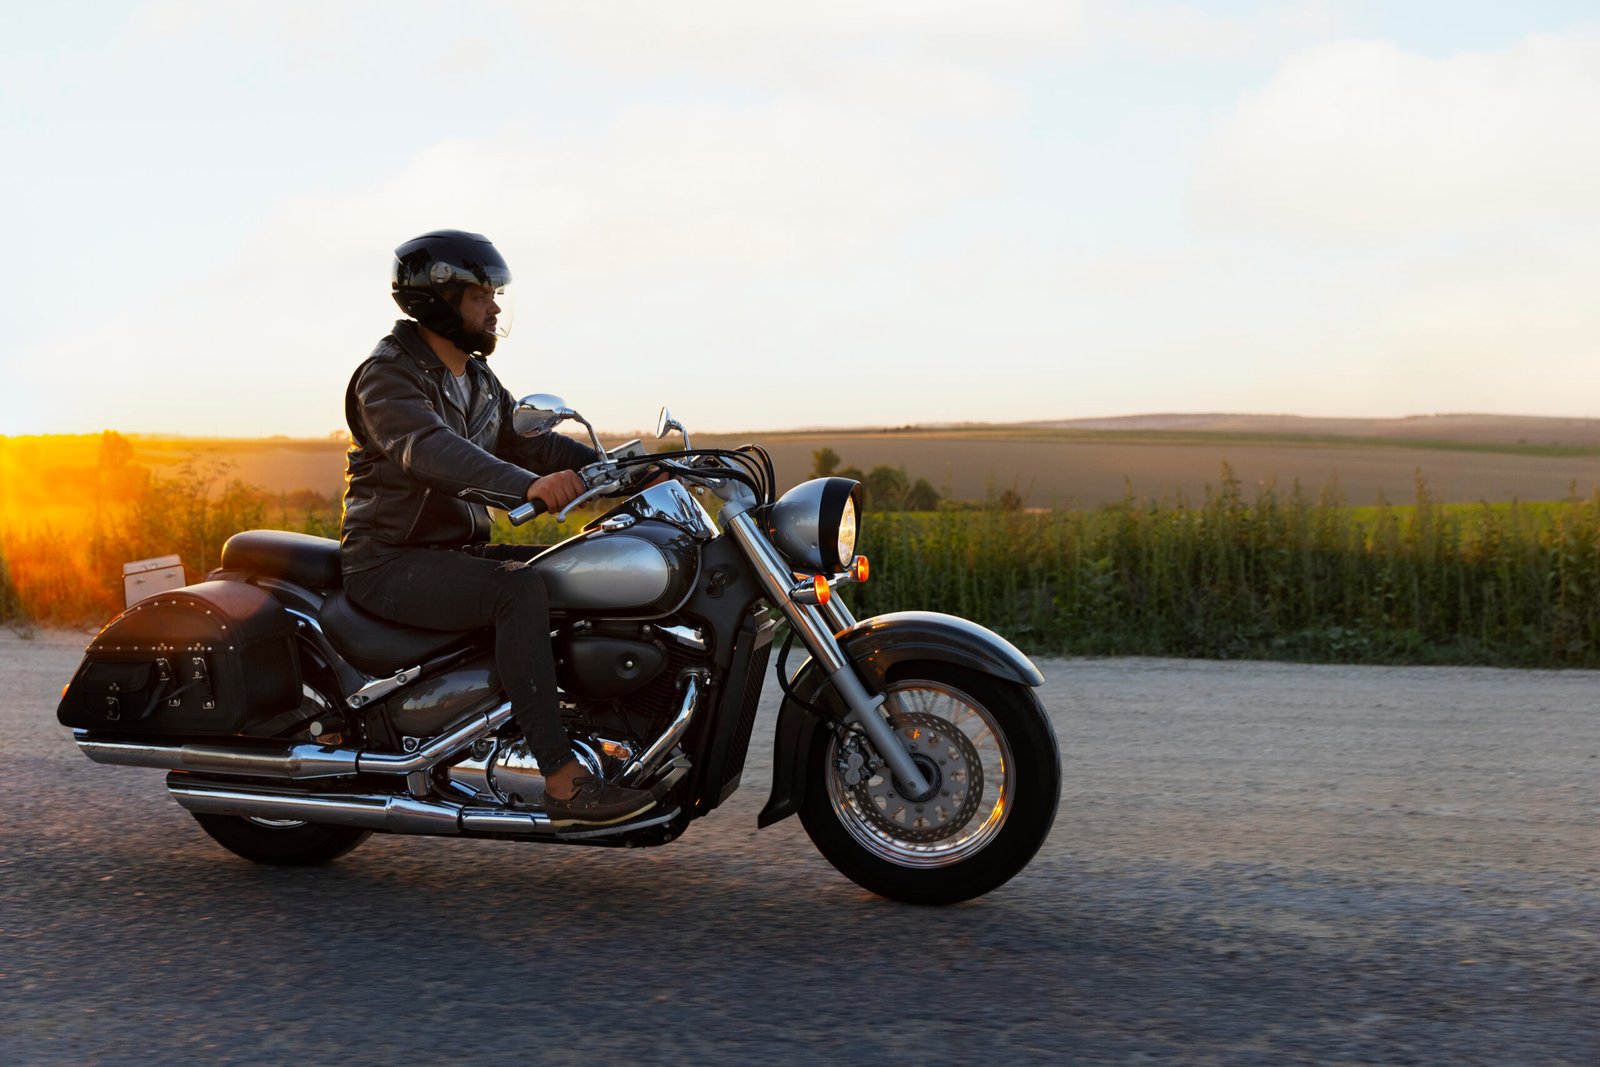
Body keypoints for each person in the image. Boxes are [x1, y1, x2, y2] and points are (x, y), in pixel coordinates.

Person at [339, 229, 654, 828]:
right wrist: (523, 488)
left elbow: (531, 444)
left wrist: (627, 473)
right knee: (519, 591)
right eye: (482, 295)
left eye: (495, 294)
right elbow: (429, 449)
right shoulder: (388, 376)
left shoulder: (477, 381)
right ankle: (561, 782)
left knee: (576, 570)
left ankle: (614, 740)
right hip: (387, 559)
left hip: (453, 549)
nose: (496, 307)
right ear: (440, 299)